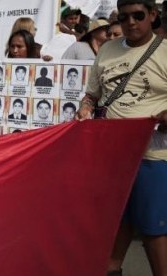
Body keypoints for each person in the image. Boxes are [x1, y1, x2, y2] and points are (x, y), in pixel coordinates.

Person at [76, 1, 167, 275]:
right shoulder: (107, 49)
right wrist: (85, 107)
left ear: (153, 15)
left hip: (151, 156)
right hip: (110, 155)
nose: (131, 23)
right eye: (125, 17)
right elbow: (91, 94)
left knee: (153, 229)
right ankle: (112, 268)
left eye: (138, 16)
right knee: (113, 223)